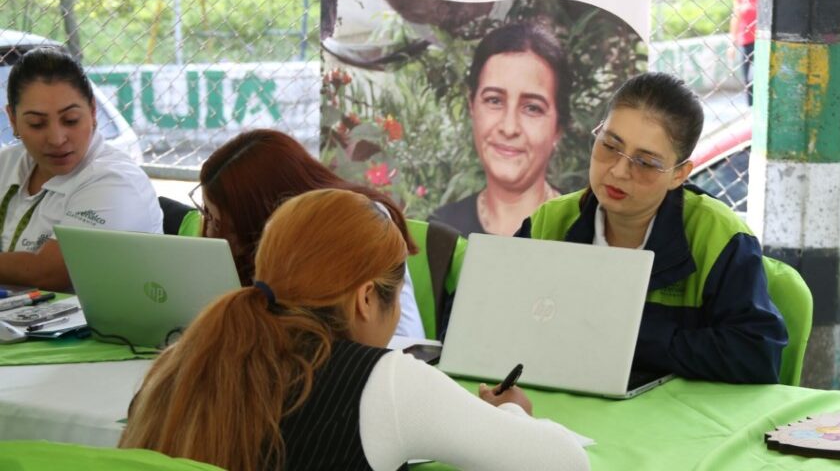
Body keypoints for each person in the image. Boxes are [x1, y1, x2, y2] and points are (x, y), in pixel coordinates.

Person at [120, 189, 589, 471]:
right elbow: (565, 462)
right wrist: (514, 414)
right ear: (367, 298)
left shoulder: (181, 361)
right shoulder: (381, 381)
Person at [518, 72, 787, 384]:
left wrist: (627, 334)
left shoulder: (718, 236)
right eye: (609, 145)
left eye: (645, 163)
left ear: (679, 174)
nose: (619, 171)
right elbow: (484, 317)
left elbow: (757, 354)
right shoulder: (549, 223)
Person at [189, 129, 427, 338]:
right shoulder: (261, 246)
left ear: (260, 217)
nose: (210, 231)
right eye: (207, 216)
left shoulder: (358, 224)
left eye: (218, 222)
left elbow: (388, 338)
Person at [0, 47, 161, 291]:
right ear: (12, 119)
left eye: (71, 120)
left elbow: (52, 272)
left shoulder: (114, 181)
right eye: (37, 123)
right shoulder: (7, 163)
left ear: (93, 111)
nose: (56, 138)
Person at [430, 21, 571, 236]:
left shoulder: (587, 232)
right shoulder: (441, 233)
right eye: (494, 100)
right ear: (472, 107)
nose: (509, 127)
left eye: (532, 108)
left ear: (558, 128)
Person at [730, 0, 759, 107]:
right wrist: (732, 42)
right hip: (747, 41)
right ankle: (751, 109)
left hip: (762, 42)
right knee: (749, 78)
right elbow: (736, 17)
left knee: (759, 76)